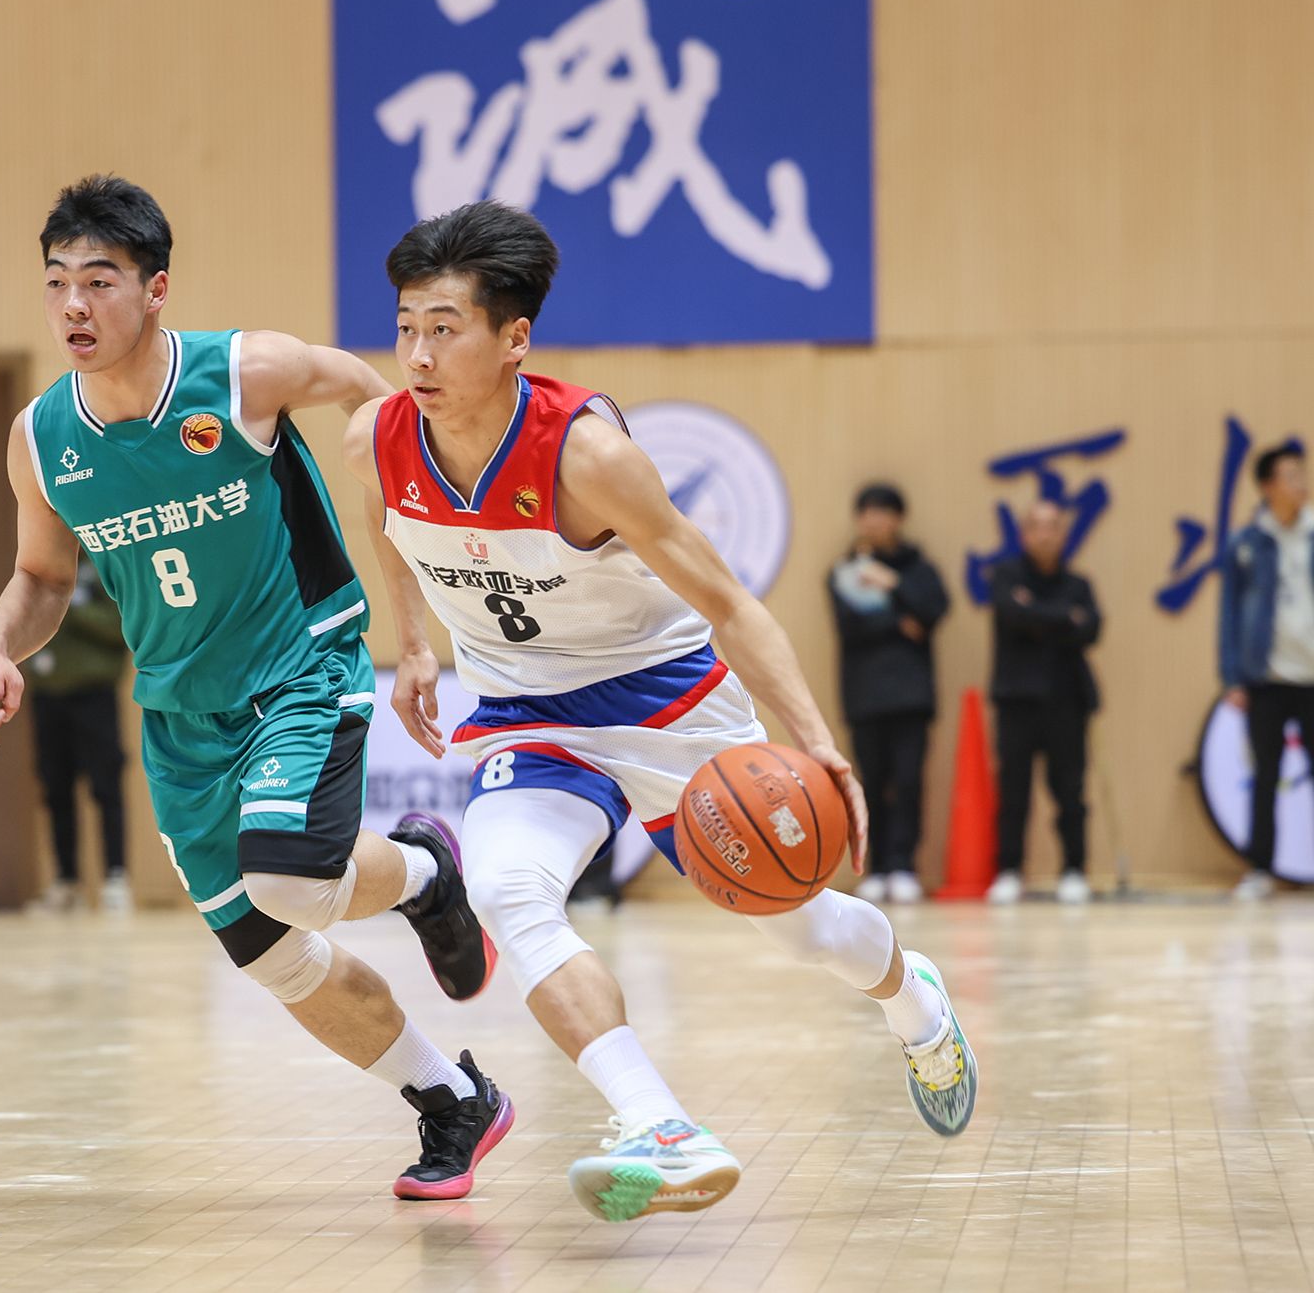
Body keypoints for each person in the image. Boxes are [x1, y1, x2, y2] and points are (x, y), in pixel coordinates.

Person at [342, 200, 977, 1225]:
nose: (416, 354)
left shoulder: (586, 456)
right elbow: (389, 530)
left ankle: (916, 1002)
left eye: (444, 328)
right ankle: (660, 1126)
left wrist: (819, 748)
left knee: (802, 926)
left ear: (514, 338)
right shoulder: (377, 439)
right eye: (406, 325)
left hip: (663, 700)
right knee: (505, 888)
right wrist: (412, 643)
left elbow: (730, 605)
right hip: (526, 712)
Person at [0, 176, 512, 1201]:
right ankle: (451, 1097)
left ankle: (423, 874)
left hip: (300, 666)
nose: (74, 304)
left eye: (100, 280)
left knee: (289, 879)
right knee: (272, 954)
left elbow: (372, 401)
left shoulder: (244, 372)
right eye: (57, 282)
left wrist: (414, 612)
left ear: (155, 288)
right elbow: (41, 576)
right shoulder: (40, 439)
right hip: (180, 714)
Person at [828, 484, 948, 904]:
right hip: (865, 695)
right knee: (871, 784)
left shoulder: (919, 569)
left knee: (910, 781)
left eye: (883, 511)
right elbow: (851, 627)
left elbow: (934, 610)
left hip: (912, 695)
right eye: (867, 512)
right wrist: (901, 622)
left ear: (899, 518)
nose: (875, 520)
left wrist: (892, 584)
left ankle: (904, 865)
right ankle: (877, 867)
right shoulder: (844, 571)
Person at [986, 500, 1101, 905]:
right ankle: (1009, 870)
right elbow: (1013, 616)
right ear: (1024, 535)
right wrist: (1064, 618)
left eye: (1053, 527)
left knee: (1070, 790)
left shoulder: (1078, 584)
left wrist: (1035, 612)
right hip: (1016, 700)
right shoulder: (1006, 576)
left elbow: (1091, 629)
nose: (1046, 535)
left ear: (1064, 535)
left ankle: (1074, 869)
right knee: (1013, 790)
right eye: (1037, 526)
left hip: (1066, 701)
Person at [1220, 439, 1314, 900]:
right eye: (1290, 476)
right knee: (1265, 775)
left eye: (1303, 474)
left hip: (1312, 676)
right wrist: (1233, 676)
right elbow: (1230, 615)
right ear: (1267, 486)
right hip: (1268, 678)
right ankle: (1261, 868)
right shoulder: (1247, 543)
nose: (1301, 483)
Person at [26, 557, 132, 912]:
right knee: (55, 788)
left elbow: (121, 628)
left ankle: (116, 878)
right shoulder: (41, 560)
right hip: (47, 693)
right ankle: (66, 881)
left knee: (106, 786)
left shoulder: (103, 561)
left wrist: (70, 605)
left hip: (94, 693)